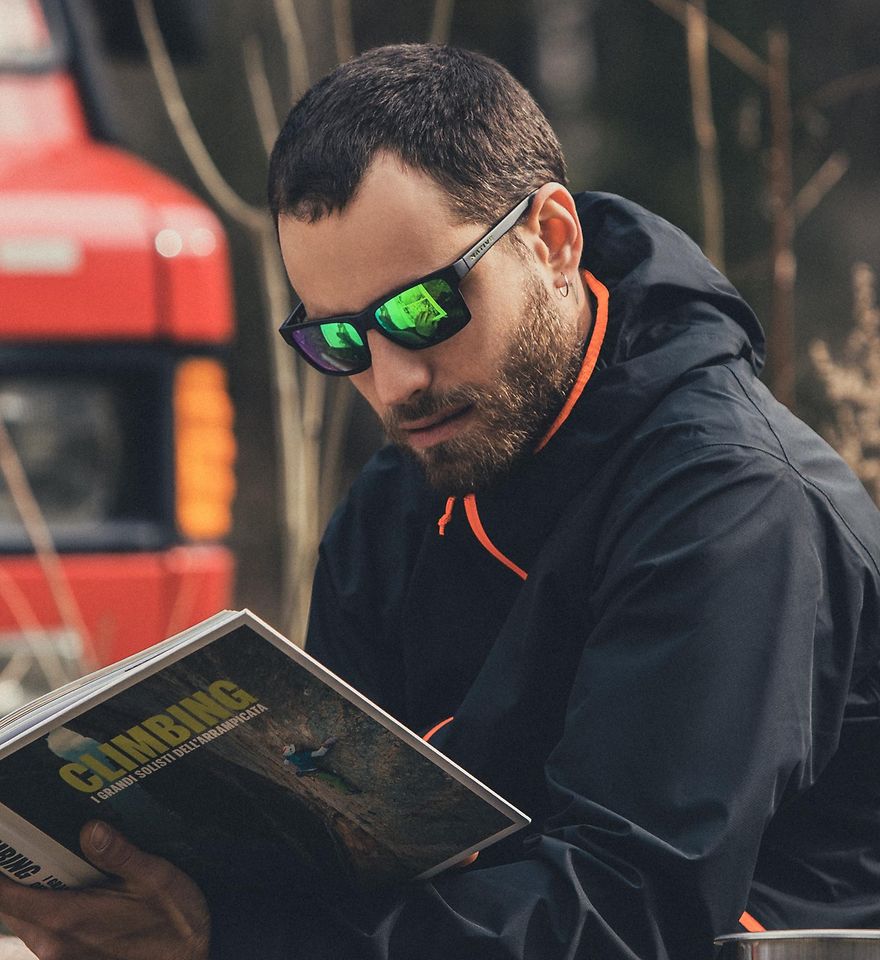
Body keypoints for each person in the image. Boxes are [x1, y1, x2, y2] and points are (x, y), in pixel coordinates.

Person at [0, 42, 879, 960]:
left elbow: (631, 911)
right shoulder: (398, 497)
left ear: (552, 239)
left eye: (423, 310)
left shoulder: (732, 504)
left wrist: (237, 939)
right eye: (340, 339)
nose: (395, 382)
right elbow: (336, 855)